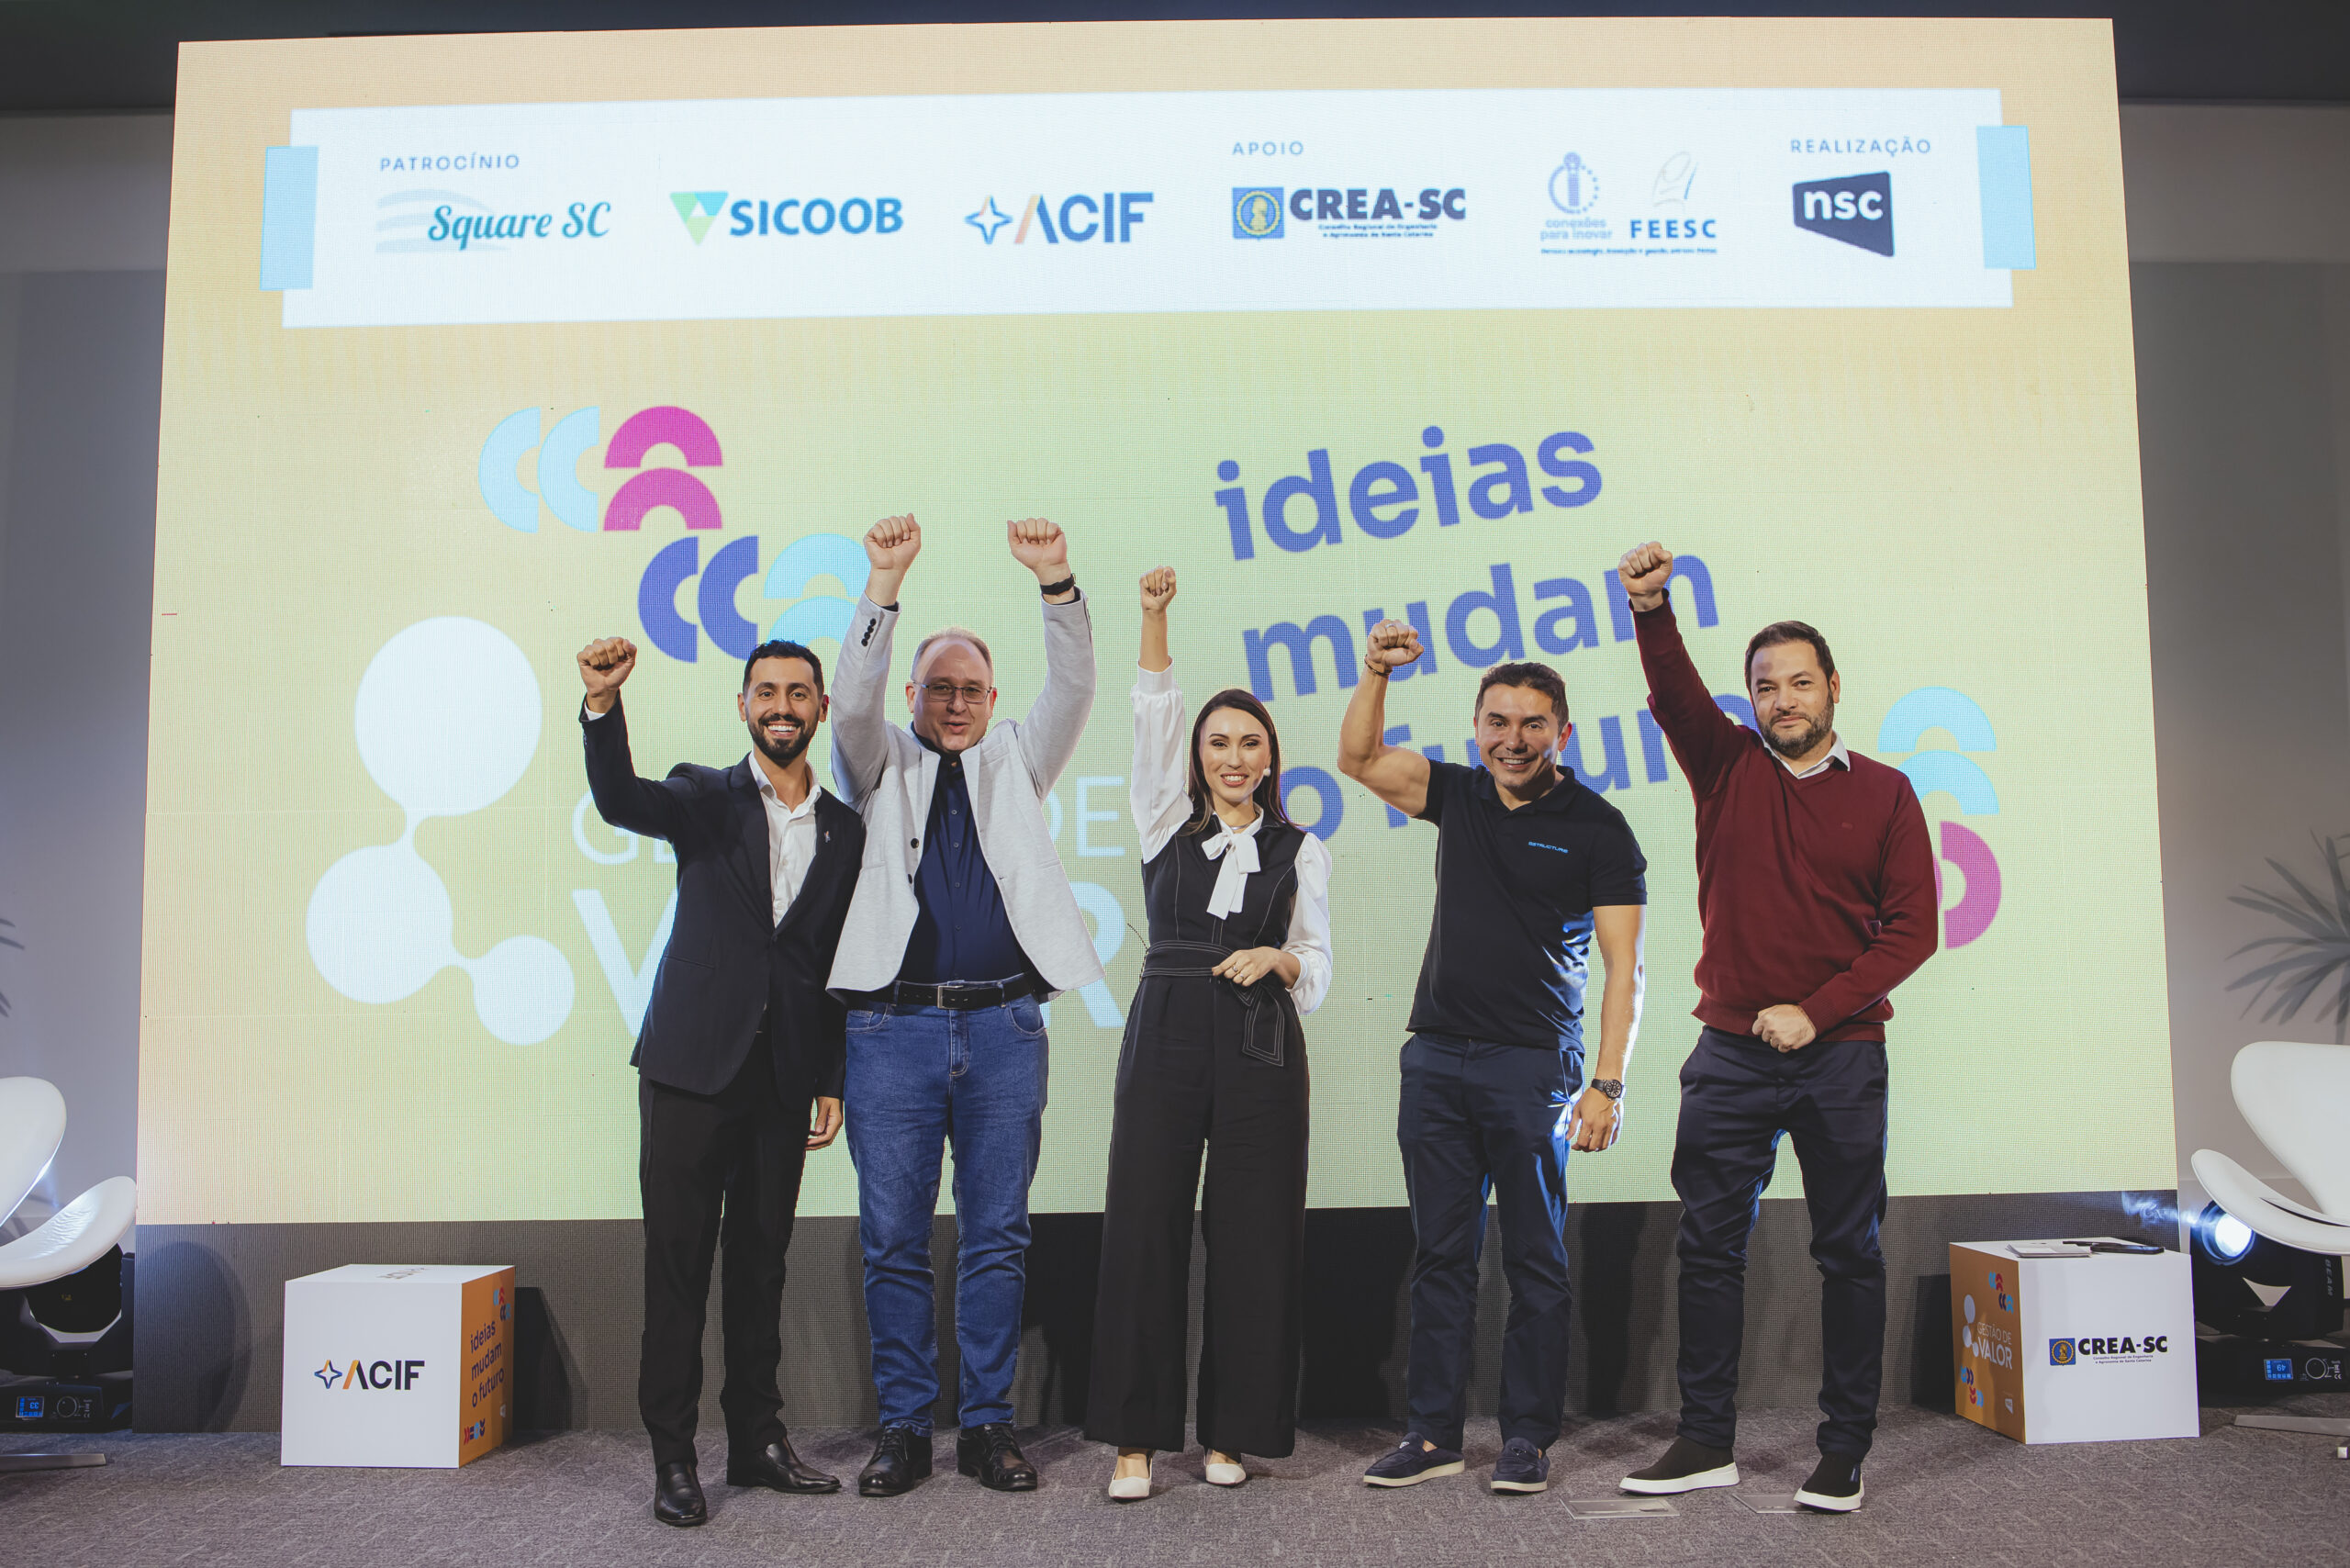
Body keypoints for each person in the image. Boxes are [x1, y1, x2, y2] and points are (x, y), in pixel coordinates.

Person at [1612, 541, 1938, 1514]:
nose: (1783, 698)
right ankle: (1705, 1439)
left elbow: (1913, 929)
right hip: (1727, 1055)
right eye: (1765, 685)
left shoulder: (1885, 791)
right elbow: (1673, 694)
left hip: (1842, 1059)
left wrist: (1819, 1009)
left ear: (1833, 687)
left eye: (1800, 682)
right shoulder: (1724, 767)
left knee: (1848, 1253)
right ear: (1747, 698)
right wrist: (1650, 608)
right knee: (1709, 1249)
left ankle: (1842, 1450)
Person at [826, 513, 1102, 1497]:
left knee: (997, 1235)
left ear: (991, 699)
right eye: (937, 688)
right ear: (914, 695)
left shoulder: (1018, 760)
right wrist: (884, 584)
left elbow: (1073, 686)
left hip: (1003, 1028)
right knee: (894, 1238)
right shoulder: (874, 762)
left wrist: (1056, 583)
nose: (954, 703)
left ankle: (986, 1424)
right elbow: (849, 700)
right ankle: (904, 1425)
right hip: (889, 1031)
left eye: (970, 689)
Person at [1336, 624, 1648, 1495]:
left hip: (1534, 1069)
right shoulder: (1460, 795)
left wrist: (1607, 1085)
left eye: (1533, 724)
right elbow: (1358, 757)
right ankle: (1433, 1434)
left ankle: (1527, 1440)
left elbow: (1627, 969)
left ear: (1563, 733)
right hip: (1435, 1061)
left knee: (1536, 1261)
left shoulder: (1599, 830)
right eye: (1498, 722)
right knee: (1440, 1257)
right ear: (1477, 726)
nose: (1514, 739)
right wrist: (1374, 674)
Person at [577, 633, 867, 1528]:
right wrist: (599, 705)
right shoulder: (702, 796)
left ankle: (757, 1440)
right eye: (766, 692)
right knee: (677, 1273)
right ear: (743, 706)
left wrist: (830, 1077)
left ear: (819, 709)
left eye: (797, 693)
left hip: (782, 1079)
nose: (782, 705)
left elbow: (830, 965)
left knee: (760, 1268)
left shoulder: (846, 831)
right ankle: (674, 1459)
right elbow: (619, 798)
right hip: (689, 1071)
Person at [1085, 566, 1335, 1501]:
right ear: (1198, 757)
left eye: (1249, 744)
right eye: (1218, 743)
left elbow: (1318, 962)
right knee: (1144, 1223)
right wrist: (1152, 617)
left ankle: (1232, 1430)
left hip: (1261, 1047)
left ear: (1270, 758)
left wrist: (1279, 960)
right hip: (1166, 1033)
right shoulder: (1160, 820)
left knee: (1254, 1235)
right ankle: (1135, 1440)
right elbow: (1152, 715)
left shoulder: (1301, 848)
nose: (1233, 757)